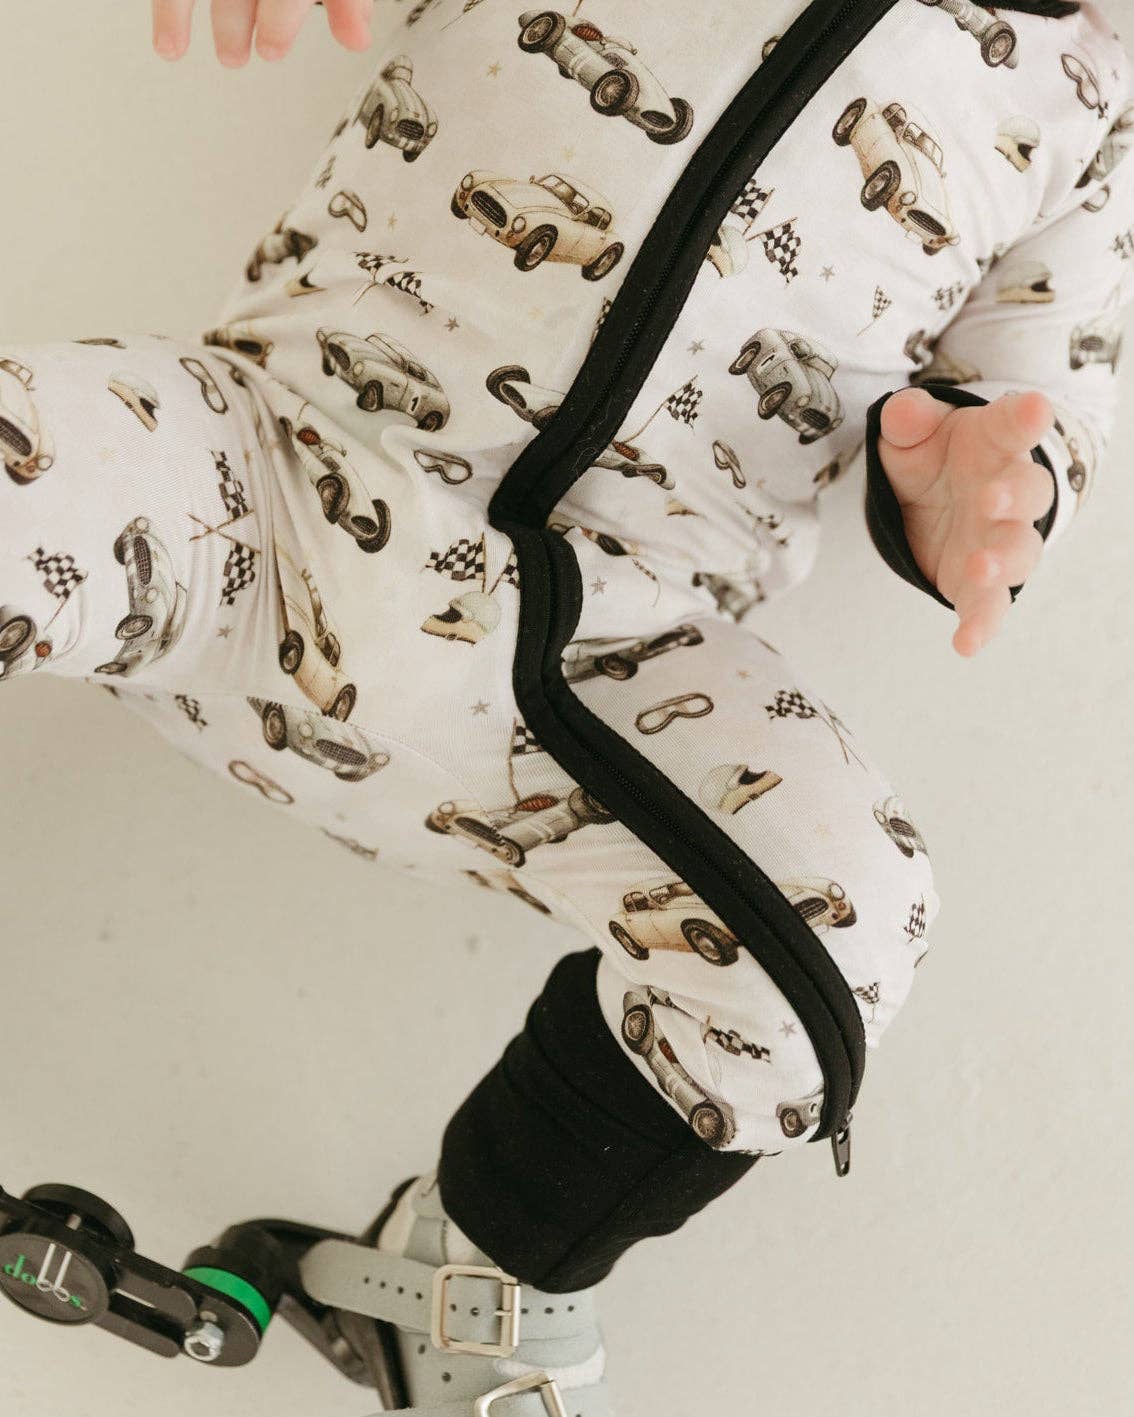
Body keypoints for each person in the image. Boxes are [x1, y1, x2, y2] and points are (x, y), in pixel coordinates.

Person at [4, 0, 1131, 1409]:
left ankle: (467, 1273)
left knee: (845, 932)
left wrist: (984, 491)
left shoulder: (1090, 112)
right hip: (258, 483)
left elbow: (1040, 388)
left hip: (595, 678)